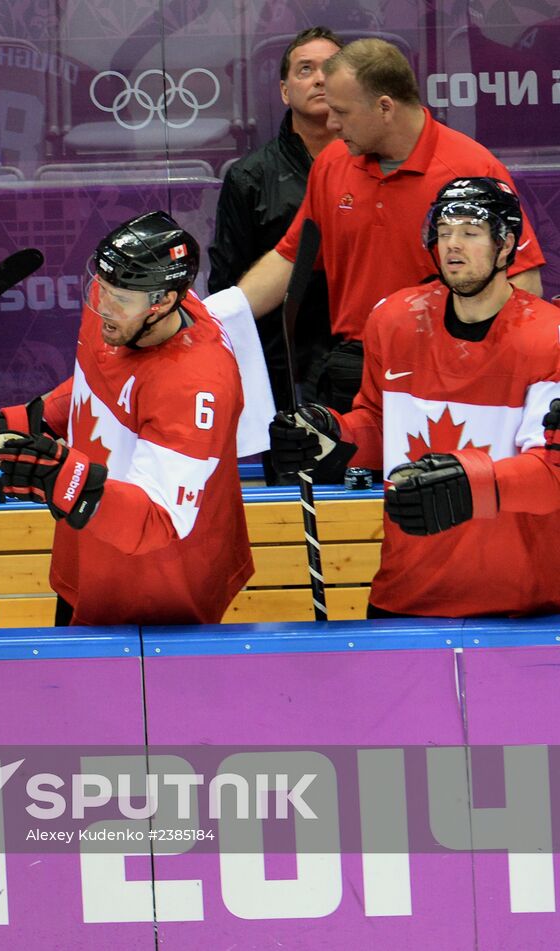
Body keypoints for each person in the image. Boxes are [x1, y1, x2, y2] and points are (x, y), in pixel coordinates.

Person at [0, 212, 253, 626]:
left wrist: (61, 478)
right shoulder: (120, 312)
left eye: (118, 298)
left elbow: (158, 522)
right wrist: (17, 423)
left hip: (164, 581)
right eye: (100, 287)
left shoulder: (197, 385)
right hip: (91, 551)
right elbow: (97, 386)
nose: (100, 304)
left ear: (163, 303)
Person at [269, 178, 560, 618]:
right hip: (404, 592)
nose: (452, 245)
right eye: (443, 231)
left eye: (470, 231)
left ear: (506, 246)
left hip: (518, 602)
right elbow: (378, 425)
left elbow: (550, 476)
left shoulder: (548, 337)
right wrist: (332, 435)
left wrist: (468, 482)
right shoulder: (396, 320)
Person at [237, 38, 546, 413]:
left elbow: (522, 283)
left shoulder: (471, 168)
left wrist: (484, 373)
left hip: (443, 373)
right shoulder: (333, 163)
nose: (332, 124)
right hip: (353, 369)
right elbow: (290, 258)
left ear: (384, 107)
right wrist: (214, 321)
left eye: (342, 112)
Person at [209, 26, 341, 443]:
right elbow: (227, 286)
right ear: (285, 91)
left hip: (367, 366)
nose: (320, 78)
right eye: (306, 70)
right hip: (283, 375)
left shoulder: (377, 164)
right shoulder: (250, 177)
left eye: (331, 68)